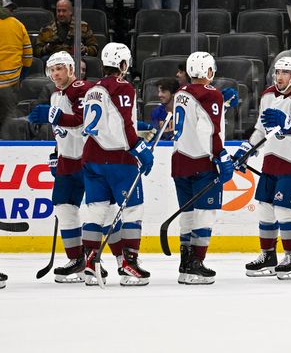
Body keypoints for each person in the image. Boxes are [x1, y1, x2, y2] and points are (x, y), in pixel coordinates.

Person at [234, 57, 291, 280]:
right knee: (265, 208)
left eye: (285, 72)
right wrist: (247, 148)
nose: (279, 76)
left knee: (284, 210)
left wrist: (288, 125)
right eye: (278, 72)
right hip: (272, 160)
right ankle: (268, 256)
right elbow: (261, 129)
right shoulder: (268, 94)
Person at [81, 43, 153, 286]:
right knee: (133, 210)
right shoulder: (123, 87)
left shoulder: (92, 89)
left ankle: (90, 263)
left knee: (96, 211)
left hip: (92, 157)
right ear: (123, 65)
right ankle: (128, 265)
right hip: (119, 159)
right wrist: (141, 149)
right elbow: (123, 124)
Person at [26, 51, 93, 282]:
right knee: (64, 208)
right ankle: (76, 260)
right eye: (52, 70)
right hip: (67, 160)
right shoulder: (56, 95)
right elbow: (60, 132)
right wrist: (56, 154)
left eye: (59, 69)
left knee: (96, 210)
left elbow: (81, 120)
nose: (55, 74)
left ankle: (95, 262)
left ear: (70, 69)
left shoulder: (82, 89)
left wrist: (52, 115)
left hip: (88, 159)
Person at [169, 52, 232, 284]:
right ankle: (197, 263)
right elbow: (210, 130)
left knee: (187, 216)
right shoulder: (211, 94)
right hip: (202, 162)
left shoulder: (180, 93)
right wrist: (221, 156)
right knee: (205, 215)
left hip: (179, 163)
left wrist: (222, 103)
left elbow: (198, 116)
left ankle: (185, 265)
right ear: (207, 71)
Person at [0, 0, 32, 138]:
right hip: (10, 84)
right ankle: (7, 154)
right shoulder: (18, 25)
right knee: (8, 121)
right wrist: (20, 77)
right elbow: (28, 57)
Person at [33, 0, 98, 60]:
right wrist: (47, 48)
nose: (61, 14)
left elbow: (95, 49)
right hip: (53, 61)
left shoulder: (82, 26)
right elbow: (36, 51)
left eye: (64, 11)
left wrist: (85, 49)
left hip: (76, 60)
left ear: (71, 11)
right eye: (58, 11)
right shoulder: (46, 29)